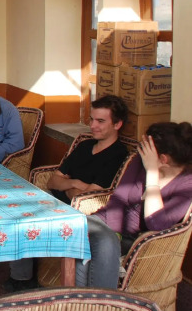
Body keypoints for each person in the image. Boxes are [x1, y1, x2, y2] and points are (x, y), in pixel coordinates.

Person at [4, 95, 131, 291]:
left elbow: (89, 196)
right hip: (56, 202)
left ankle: (29, 280)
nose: (93, 126)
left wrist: (67, 185)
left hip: (80, 212)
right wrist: (76, 183)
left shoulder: (117, 155)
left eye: (100, 121)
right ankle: (22, 278)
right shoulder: (85, 145)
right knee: (19, 210)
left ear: (117, 124)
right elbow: (53, 180)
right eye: (91, 119)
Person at [77, 121, 192, 288]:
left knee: (98, 249)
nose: (140, 150)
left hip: (141, 244)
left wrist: (152, 173)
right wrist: (114, 235)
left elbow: (156, 223)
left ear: (163, 159)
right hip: (109, 225)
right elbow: (119, 200)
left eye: (146, 148)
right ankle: (84, 300)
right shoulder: (140, 160)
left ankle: (98, 300)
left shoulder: (187, 184)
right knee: (78, 237)